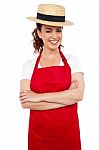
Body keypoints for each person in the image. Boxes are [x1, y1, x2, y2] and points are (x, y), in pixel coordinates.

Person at [19, 4, 85, 150]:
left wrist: (38, 97)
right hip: (39, 137)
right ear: (39, 33)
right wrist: (67, 98)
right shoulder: (28, 65)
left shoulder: (73, 61)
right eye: (48, 31)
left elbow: (78, 94)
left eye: (59, 30)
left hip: (68, 136)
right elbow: (25, 103)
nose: (55, 36)